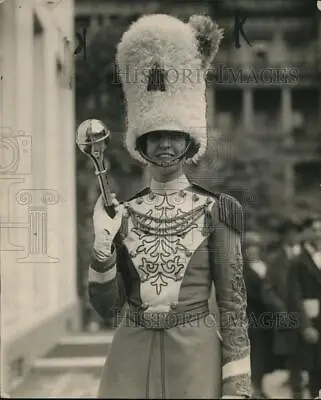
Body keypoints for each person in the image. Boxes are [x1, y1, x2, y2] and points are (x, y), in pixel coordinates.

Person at [87, 13, 252, 399]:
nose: (165, 145)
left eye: (174, 136)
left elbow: (233, 309)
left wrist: (237, 386)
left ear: (189, 142)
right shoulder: (121, 212)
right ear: (140, 144)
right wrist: (102, 247)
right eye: (154, 136)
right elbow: (106, 309)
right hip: (130, 356)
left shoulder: (218, 210)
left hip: (196, 361)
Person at [262, 217, 303, 398]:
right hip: (289, 314)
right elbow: (268, 290)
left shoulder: (306, 255)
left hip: (310, 312)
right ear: (284, 236)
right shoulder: (275, 259)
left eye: (296, 233)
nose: (294, 236)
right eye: (290, 233)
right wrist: (281, 310)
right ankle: (297, 390)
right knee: (294, 355)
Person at [288, 215, 321, 398]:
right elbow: (295, 296)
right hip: (313, 321)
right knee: (315, 369)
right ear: (306, 233)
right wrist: (305, 325)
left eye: (320, 230)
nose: (318, 234)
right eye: (314, 230)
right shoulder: (298, 260)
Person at [243, 231, 272, 399]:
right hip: (252, 316)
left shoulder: (264, 265)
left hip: (266, 316)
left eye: (255, 247)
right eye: (249, 247)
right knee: (254, 354)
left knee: (264, 352)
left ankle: (260, 386)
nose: (252, 251)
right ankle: (254, 389)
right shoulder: (242, 269)